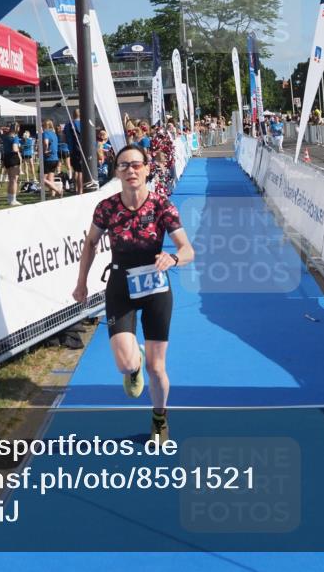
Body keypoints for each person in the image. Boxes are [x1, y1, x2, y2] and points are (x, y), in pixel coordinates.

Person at [72, 144, 194, 443]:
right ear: (116, 172)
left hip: (155, 289)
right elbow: (90, 243)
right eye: (124, 165)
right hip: (120, 286)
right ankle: (134, 362)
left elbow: (187, 250)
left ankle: (159, 419)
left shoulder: (161, 206)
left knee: (157, 367)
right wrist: (81, 282)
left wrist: (173, 258)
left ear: (147, 168)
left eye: (136, 164)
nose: (131, 170)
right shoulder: (106, 207)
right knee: (126, 365)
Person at [0, 122, 22, 206]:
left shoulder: (5, 136)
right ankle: (13, 200)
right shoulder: (15, 137)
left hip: (6, 158)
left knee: (11, 180)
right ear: (16, 128)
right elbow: (15, 149)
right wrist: (20, 148)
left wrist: (1, 147)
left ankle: (10, 198)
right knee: (14, 180)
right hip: (13, 158)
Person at [64, 108, 85, 194]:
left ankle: (76, 189)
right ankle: (80, 191)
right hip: (79, 149)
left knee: (75, 170)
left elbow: (64, 138)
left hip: (71, 150)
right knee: (80, 172)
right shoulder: (81, 124)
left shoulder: (67, 125)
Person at [41, 119, 63, 197]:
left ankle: (58, 190)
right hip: (55, 158)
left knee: (42, 179)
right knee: (50, 178)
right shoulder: (54, 134)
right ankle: (52, 195)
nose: (42, 126)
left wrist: (45, 150)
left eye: (42, 125)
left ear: (45, 126)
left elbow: (45, 142)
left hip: (48, 158)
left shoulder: (45, 133)